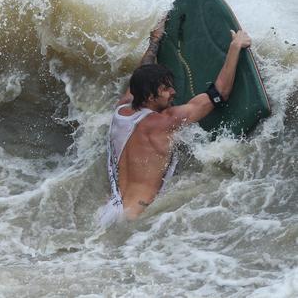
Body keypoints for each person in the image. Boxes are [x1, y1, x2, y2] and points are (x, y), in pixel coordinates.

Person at [98, 18, 251, 227]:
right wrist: (235, 47)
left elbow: (143, 70)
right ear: (150, 98)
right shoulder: (165, 121)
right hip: (140, 215)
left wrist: (154, 41)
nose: (173, 92)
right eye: (166, 89)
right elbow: (219, 94)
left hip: (111, 210)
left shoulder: (122, 109)